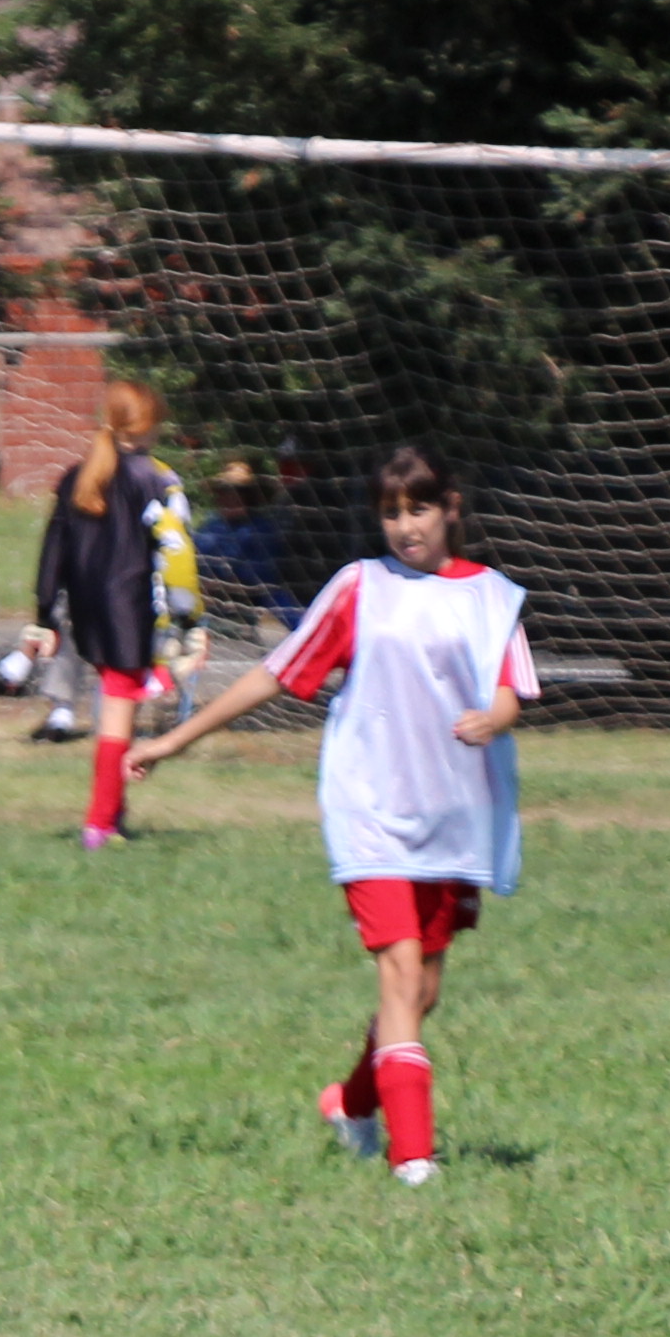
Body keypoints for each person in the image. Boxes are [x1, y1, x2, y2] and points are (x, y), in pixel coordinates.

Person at [125, 442, 533, 1182]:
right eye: (391, 513)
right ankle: (414, 1162)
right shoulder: (359, 588)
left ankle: (351, 1103)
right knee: (399, 975)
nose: (405, 526)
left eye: (419, 509)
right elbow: (275, 674)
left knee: (424, 991)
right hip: (370, 809)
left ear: (450, 509)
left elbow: (511, 691)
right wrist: (176, 740)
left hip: (454, 818)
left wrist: (491, 719)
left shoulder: (491, 597)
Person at [12, 376, 184, 844]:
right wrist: (187, 619)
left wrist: (44, 614)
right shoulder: (155, 479)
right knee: (117, 715)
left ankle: (115, 816)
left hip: (87, 612)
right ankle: (99, 823)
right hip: (130, 612)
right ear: (148, 425)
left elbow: (52, 552)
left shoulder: (75, 476)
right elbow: (176, 554)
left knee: (116, 705)